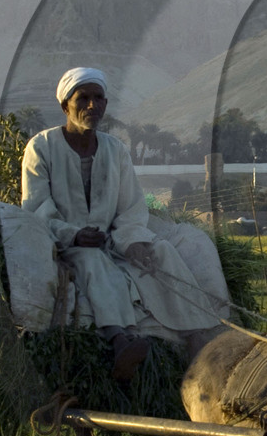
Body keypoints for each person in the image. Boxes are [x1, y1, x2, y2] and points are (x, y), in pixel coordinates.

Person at [20, 66, 230, 377]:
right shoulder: (41, 147)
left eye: (99, 98)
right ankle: (120, 338)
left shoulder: (115, 149)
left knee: (163, 252)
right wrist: (73, 235)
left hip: (110, 239)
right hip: (64, 243)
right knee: (92, 261)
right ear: (66, 106)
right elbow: (36, 206)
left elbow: (131, 206)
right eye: (83, 98)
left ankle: (197, 334)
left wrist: (133, 240)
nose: (92, 105)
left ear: (105, 104)